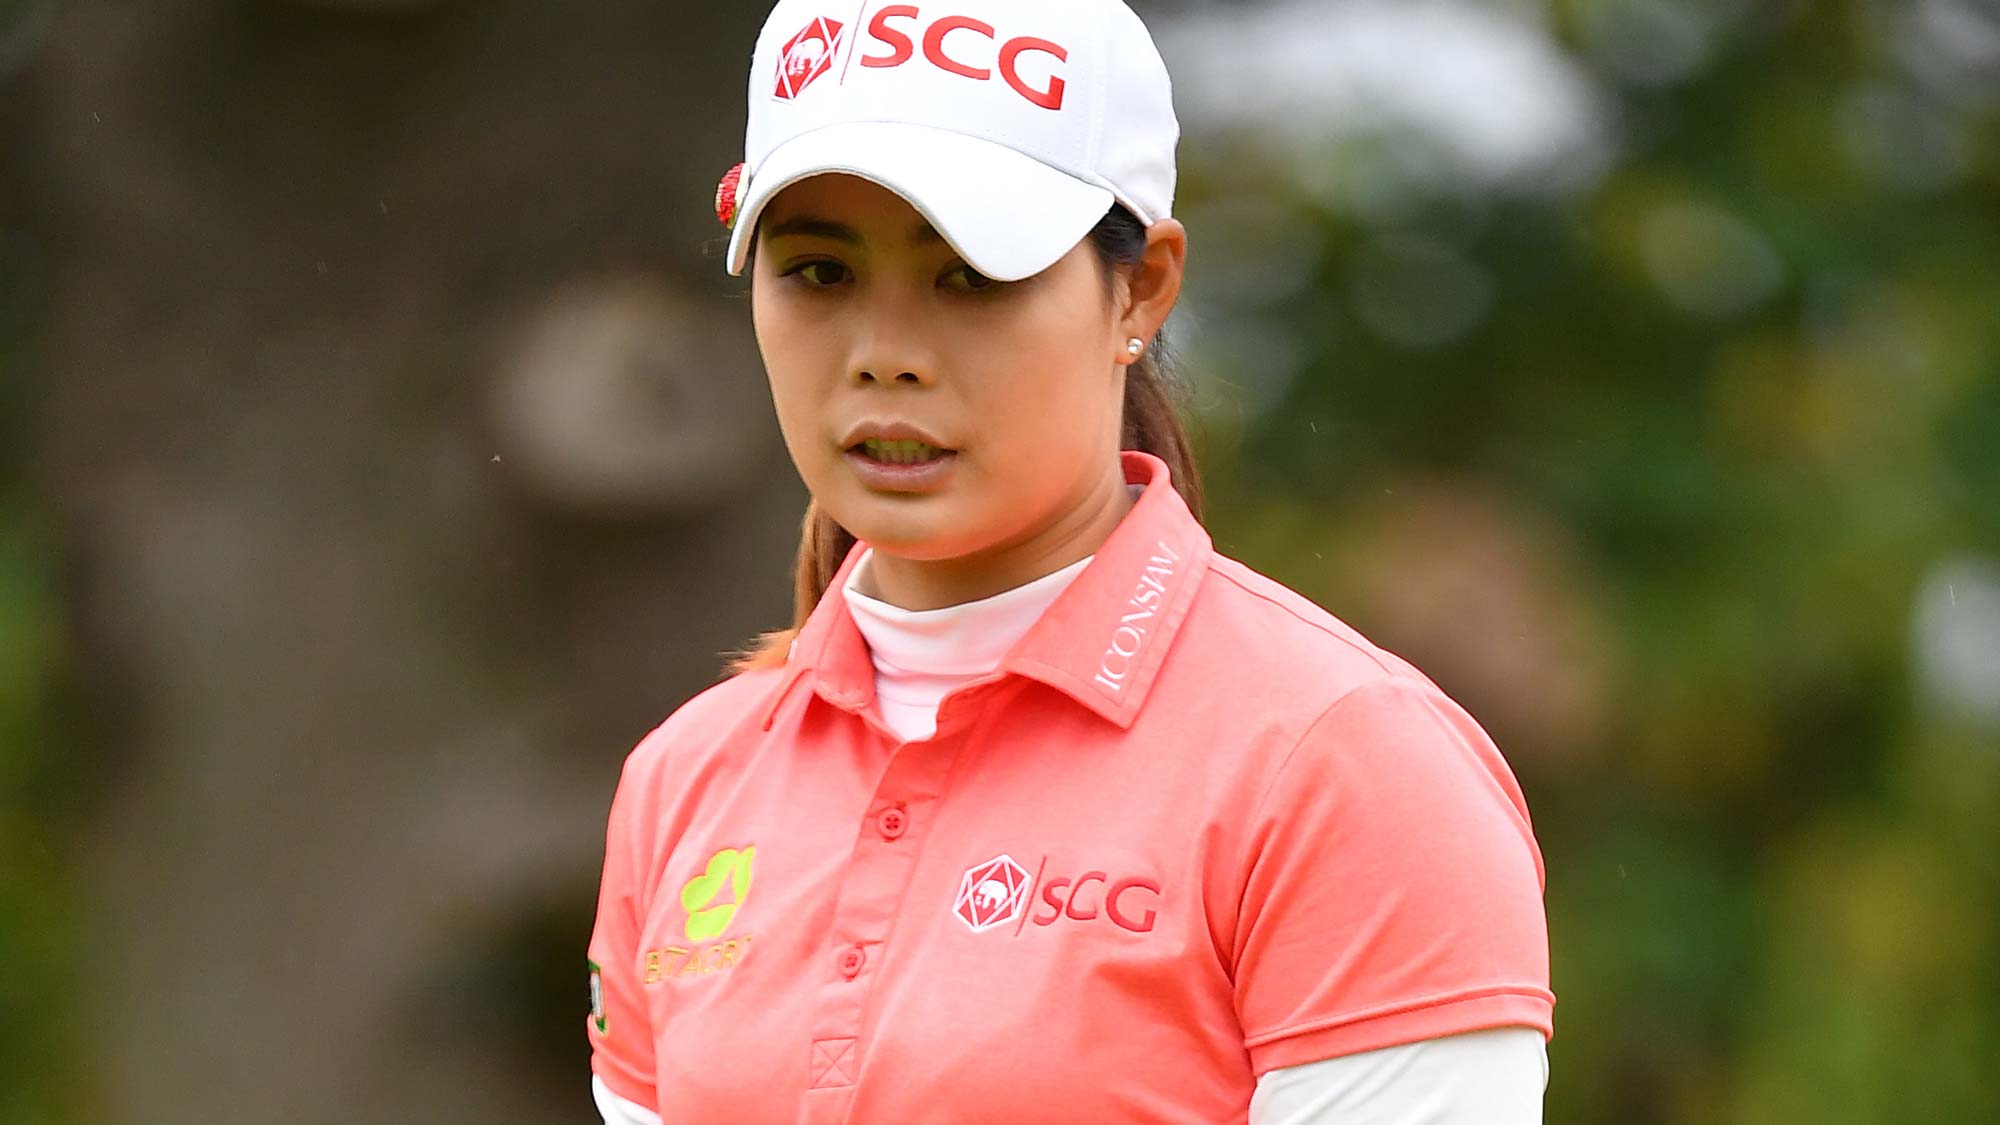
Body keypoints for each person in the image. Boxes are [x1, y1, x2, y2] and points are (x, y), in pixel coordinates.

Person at [586, 1, 1554, 1121]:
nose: (883, 357)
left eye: (968, 278)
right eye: (817, 273)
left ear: (1139, 287)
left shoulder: (1341, 766)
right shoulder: (683, 779)